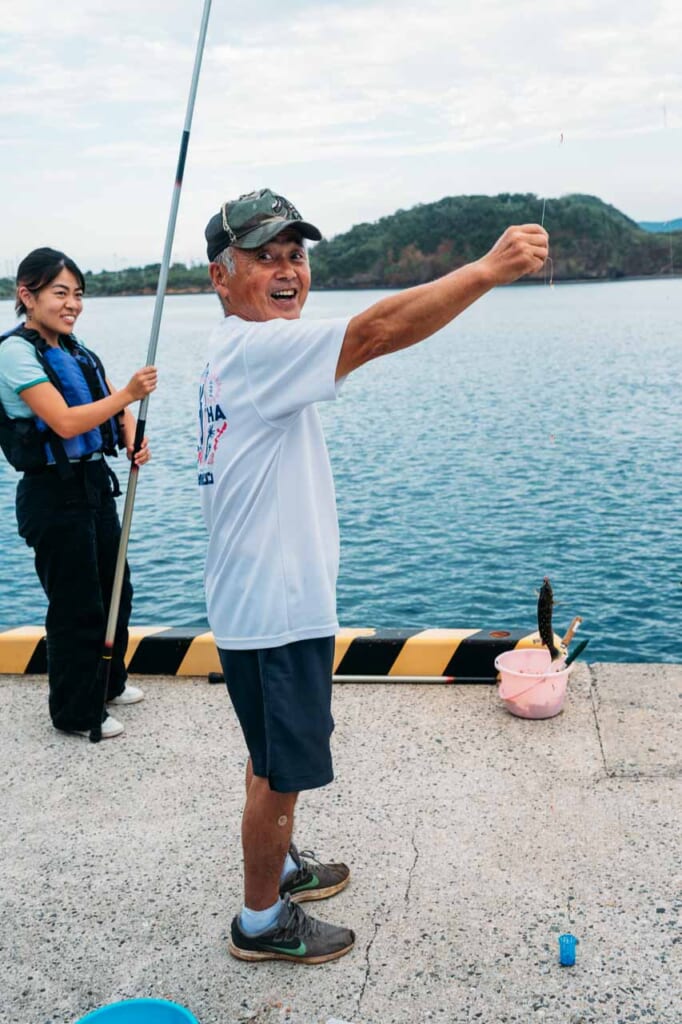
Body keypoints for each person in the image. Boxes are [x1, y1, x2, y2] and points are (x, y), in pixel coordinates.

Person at [198, 188, 549, 964]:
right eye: (264, 258)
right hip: (276, 610)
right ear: (221, 277)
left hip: (249, 601)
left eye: (296, 255)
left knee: (268, 753)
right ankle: (261, 922)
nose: (287, 271)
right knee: (281, 773)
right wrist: (486, 270)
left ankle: (281, 866)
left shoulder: (230, 351)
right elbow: (377, 330)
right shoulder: (260, 350)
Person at [0, 247, 157, 739]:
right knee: (76, 606)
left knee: (117, 592)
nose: (72, 304)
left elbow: (114, 408)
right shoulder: (14, 352)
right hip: (52, 495)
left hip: (93, 486)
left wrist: (132, 435)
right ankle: (74, 712)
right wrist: (128, 395)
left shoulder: (74, 348)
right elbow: (65, 421)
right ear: (27, 295)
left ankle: (107, 685)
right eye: (60, 293)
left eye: (78, 294)